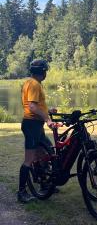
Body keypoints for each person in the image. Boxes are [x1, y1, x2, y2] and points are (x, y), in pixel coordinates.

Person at [17, 59, 56, 203]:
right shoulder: (34, 84)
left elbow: (34, 104)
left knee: (46, 153)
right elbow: (32, 107)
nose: (46, 73)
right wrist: (48, 119)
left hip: (35, 125)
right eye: (45, 70)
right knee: (29, 159)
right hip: (32, 125)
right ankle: (21, 192)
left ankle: (45, 184)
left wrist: (47, 110)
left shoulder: (30, 82)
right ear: (42, 71)